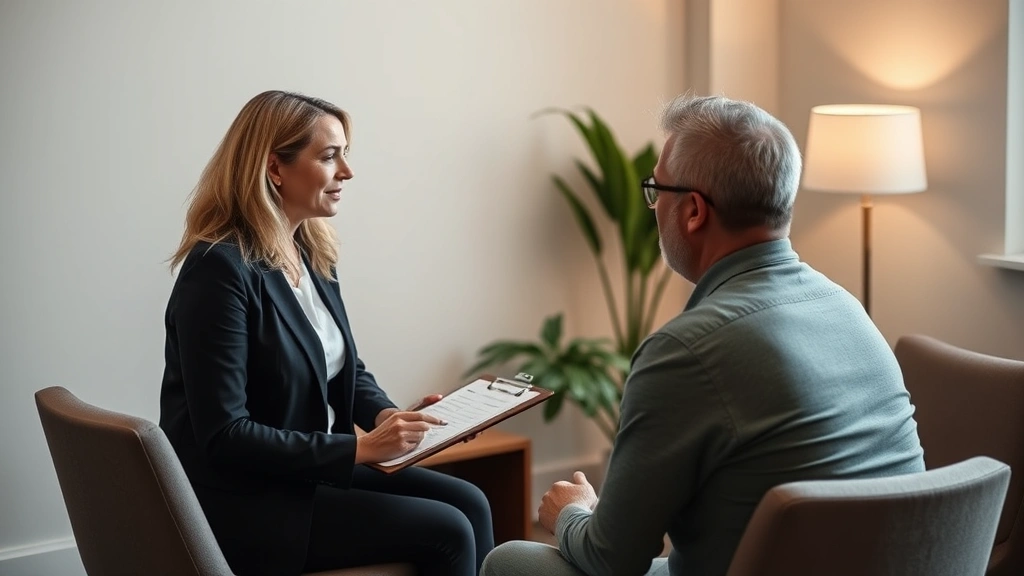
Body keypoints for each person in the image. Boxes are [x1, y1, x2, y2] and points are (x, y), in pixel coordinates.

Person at [481, 94, 925, 576]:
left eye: (656, 190)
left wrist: (570, 512)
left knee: (512, 561)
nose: (653, 206)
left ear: (693, 211)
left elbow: (613, 560)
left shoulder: (685, 351)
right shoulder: (846, 307)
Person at [159, 90, 493, 576]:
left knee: (472, 501)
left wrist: (388, 417)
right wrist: (360, 448)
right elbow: (225, 436)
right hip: (248, 501)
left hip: (309, 476)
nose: (347, 172)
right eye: (329, 156)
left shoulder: (312, 252)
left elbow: (344, 367)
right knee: (448, 529)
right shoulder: (218, 269)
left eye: (345, 155)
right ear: (275, 168)